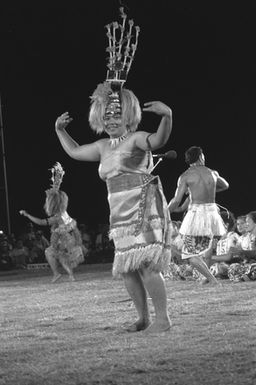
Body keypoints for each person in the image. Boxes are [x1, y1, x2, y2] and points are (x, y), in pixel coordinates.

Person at [55, 8, 173, 333]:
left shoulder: (135, 138)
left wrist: (167, 117)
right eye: (106, 115)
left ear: (129, 114)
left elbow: (158, 140)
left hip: (141, 209)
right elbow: (76, 151)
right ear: (99, 117)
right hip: (118, 214)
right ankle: (143, 317)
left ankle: (162, 318)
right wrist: (59, 130)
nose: (111, 119)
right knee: (127, 269)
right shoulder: (103, 147)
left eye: (116, 114)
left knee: (146, 265)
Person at [168, 146, 229, 284]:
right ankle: (208, 278)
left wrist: (165, 212)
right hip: (212, 213)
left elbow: (176, 200)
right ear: (201, 157)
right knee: (205, 247)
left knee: (189, 254)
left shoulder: (185, 176)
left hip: (197, 214)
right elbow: (225, 185)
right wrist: (210, 190)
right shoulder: (213, 173)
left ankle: (212, 280)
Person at [20, 162, 84, 282]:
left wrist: (27, 215)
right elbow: (56, 194)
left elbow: (40, 222)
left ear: (52, 203)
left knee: (50, 252)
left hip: (64, 240)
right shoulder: (63, 211)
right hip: (70, 239)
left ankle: (57, 274)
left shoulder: (56, 217)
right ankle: (70, 276)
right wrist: (56, 184)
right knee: (61, 255)